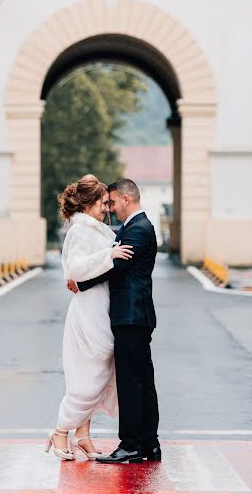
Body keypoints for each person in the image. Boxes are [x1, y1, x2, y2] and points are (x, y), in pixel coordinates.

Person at [69, 178, 160, 464]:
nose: (110, 208)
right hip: (134, 315)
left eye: (112, 202)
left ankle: (131, 444)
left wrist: (81, 284)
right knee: (142, 380)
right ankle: (149, 443)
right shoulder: (135, 227)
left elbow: (117, 266)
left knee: (132, 382)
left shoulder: (138, 229)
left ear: (125, 199)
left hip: (131, 316)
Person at [46, 174, 134, 461]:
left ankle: (82, 434)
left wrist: (110, 252)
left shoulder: (97, 230)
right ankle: (60, 430)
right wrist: (108, 256)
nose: (107, 207)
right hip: (89, 309)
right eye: (102, 203)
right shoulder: (80, 231)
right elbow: (75, 270)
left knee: (97, 369)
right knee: (91, 372)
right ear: (89, 204)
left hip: (101, 305)